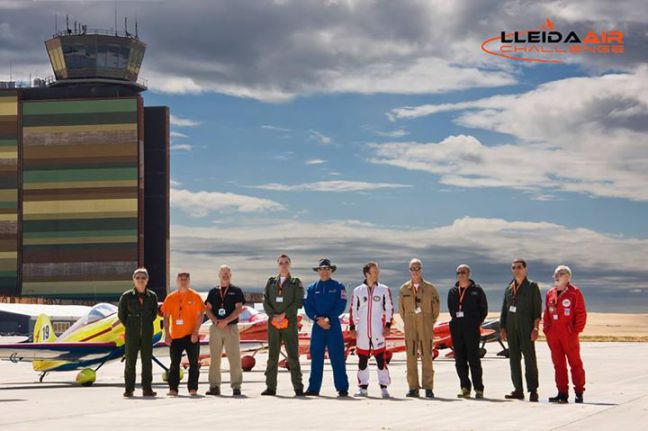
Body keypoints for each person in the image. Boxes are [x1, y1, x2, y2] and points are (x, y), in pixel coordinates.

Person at [303, 258, 349, 397]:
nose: (324, 271)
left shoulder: (338, 286)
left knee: (337, 357)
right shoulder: (311, 289)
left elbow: (341, 305)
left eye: (327, 269)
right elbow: (308, 306)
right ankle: (313, 388)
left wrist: (328, 318)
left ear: (331, 270)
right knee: (316, 357)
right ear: (318, 271)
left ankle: (342, 388)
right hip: (317, 326)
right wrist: (318, 319)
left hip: (333, 325)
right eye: (322, 269)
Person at [261, 254, 305, 396]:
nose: (284, 265)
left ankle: (298, 387)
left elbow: (298, 302)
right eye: (281, 263)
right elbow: (265, 300)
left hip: (289, 323)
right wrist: (273, 315)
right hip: (273, 323)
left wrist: (284, 314)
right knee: (272, 356)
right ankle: (270, 387)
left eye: (286, 262)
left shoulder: (295, 282)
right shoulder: (271, 282)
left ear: (290, 264)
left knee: (293, 356)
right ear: (278, 265)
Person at [500, 258, 542, 402]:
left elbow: (537, 310)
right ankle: (518, 389)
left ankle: (533, 390)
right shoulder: (508, 288)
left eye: (519, 267)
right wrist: (502, 328)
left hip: (526, 327)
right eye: (514, 267)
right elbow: (504, 310)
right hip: (511, 328)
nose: (516, 270)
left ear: (525, 269)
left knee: (529, 359)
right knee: (514, 360)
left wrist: (536, 328)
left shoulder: (532, 287)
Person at [350, 261, 394, 398]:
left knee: (381, 359)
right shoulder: (358, 291)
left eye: (377, 272)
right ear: (367, 274)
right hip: (362, 330)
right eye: (374, 272)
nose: (377, 274)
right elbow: (353, 310)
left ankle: (384, 387)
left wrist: (387, 325)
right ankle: (362, 387)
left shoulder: (384, 289)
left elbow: (389, 308)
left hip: (378, 329)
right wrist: (352, 327)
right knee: (362, 359)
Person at [544, 265, 587, 404]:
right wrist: (547, 329)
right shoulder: (550, 293)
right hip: (554, 334)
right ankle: (562, 393)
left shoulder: (574, 292)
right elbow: (547, 314)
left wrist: (575, 330)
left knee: (575, 363)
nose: (559, 276)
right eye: (557, 273)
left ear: (568, 277)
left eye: (562, 273)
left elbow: (581, 313)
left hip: (568, 334)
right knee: (558, 364)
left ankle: (579, 392)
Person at [399, 258, 440, 398]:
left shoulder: (430, 288)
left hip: (426, 323)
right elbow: (402, 310)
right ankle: (413, 387)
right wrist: (409, 320)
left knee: (427, 355)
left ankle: (428, 387)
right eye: (412, 268)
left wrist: (429, 320)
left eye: (418, 268)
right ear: (409, 270)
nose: (415, 271)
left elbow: (436, 308)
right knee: (410, 356)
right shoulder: (404, 289)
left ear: (421, 269)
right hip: (410, 324)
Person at [161, 270, 205, 396]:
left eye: (186, 279)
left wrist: (196, 332)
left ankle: (193, 388)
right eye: (181, 279)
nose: (183, 281)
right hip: (176, 336)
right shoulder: (170, 298)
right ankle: (173, 388)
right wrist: (167, 334)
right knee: (174, 364)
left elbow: (200, 315)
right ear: (177, 281)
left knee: (194, 364)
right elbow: (165, 317)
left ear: (189, 281)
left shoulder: (195, 297)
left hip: (191, 335)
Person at [448, 264, 488, 399]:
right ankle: (465, 387)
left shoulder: (477, 290)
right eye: (458, 272)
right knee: (459, 360)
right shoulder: (453, 292)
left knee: (474, 359)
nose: (461, 275)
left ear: (469, 274)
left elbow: (484, 310)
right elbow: (451, 309)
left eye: (463, 272)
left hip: (471, 329)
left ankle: (478, 388)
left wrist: (475, 323)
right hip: (457, 329)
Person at [204, 265, 245, 396]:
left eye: (227, 272)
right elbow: (207, 309)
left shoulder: (236, 291)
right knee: (215, 358)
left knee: (234, 357)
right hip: (216, 328)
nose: (225, 275)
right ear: (219, 274)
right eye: (223, 272)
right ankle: (214, 386)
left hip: (231, 327)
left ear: (231, 275)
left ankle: (236, 386)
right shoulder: (213, 292)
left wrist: (226, 320)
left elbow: (238, 309)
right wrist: (216, 321)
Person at [118, 268, 159, 397]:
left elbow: (153, 314)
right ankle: (129, 389)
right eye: (138, 278)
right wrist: (131, 325)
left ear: (147, 280)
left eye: (143, 278)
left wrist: (144, 323)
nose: (140, 280)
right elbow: (121, 315)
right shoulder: (126, 296)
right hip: (132, 333)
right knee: (130, 361)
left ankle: (147, 389)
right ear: (133, 280)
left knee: (147, 362)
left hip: (147, 333)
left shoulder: (152, 296)